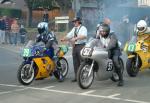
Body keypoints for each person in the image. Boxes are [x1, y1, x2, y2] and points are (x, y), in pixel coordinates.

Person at [61, 17, 88, 82]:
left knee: (82, 61)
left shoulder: (83, 28)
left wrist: (76, 38)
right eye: (73, 22)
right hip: (75, 46)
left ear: (79, 21)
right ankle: (76, 77)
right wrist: (64, 38)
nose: (74, 23)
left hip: (81, 45)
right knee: (75, 62)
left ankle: (83, 76)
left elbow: (84, 36)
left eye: (75, 22)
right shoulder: (74, 29)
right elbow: (69, 35)